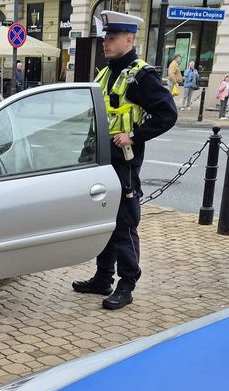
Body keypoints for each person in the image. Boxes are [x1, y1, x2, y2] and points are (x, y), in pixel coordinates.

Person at [72, 10, 177, 310]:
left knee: (124, 222)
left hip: (123, 162)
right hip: (100, 159)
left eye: (112, 37)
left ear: (129, 39)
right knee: (104, 219)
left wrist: (134, 134)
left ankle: (127, 283)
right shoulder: (106, 72)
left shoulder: (140, 75)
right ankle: (103, 277)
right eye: (105, 36)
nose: (106, 42)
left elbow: (167, 114)